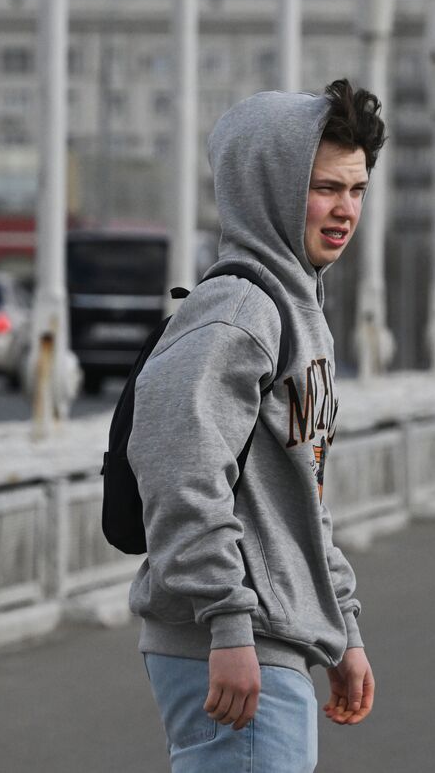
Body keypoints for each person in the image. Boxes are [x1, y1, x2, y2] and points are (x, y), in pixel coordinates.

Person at [128, 81, 383, 772]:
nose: (345, 211)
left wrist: (342, 629)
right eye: (326, 187)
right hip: (235, 643)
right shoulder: (238, 312)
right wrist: (228, 624)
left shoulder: (298, 311)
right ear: (266, 188)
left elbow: (300, 499)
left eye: (357, 190)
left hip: (274, 638)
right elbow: (180, 475)